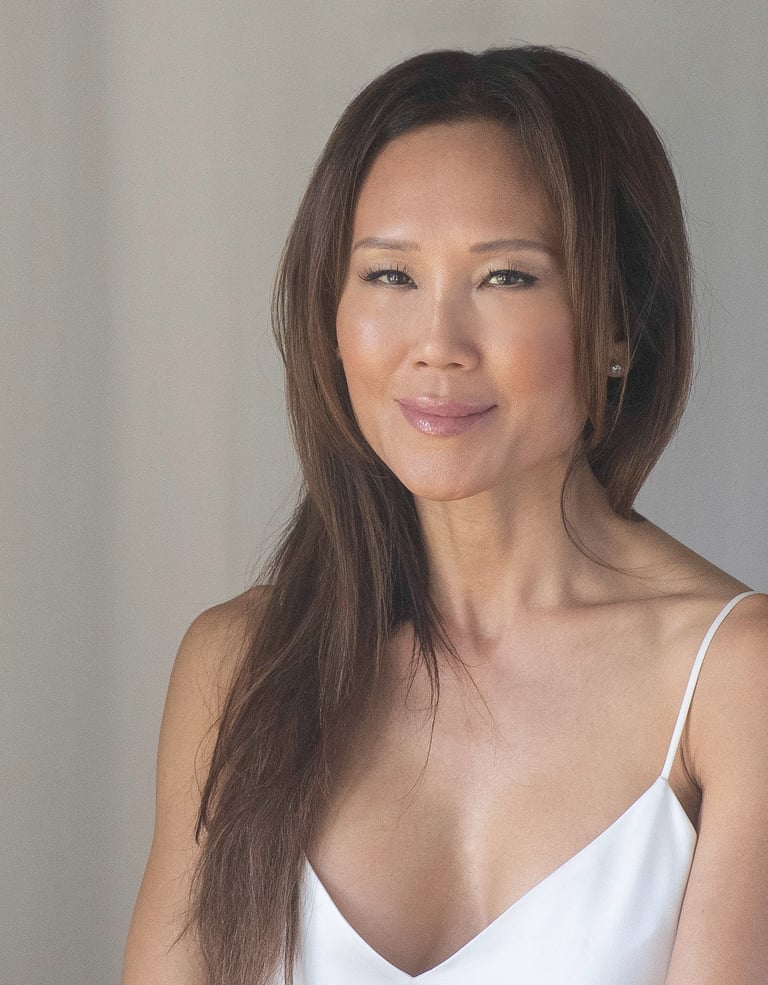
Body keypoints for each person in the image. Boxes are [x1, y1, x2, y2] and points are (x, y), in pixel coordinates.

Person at [122, 46, 768, 985]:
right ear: (330, 316)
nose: (437, 345)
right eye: (391, 276)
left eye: (506, 277)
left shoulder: (738, 681)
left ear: (619, 327)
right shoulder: (236, 667)